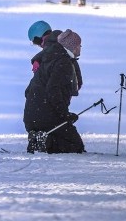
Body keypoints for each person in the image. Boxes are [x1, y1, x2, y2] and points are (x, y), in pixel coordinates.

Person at [24, 21, 85, 154]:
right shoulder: (61, 57)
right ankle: (45, 142)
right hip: (46, 111)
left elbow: (33, 90)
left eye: (36, 41)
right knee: (75, 145)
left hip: (34, 113)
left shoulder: (53, 54)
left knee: (71, 141)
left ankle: (41, 138)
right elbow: (54, 90)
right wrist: (64, 114)